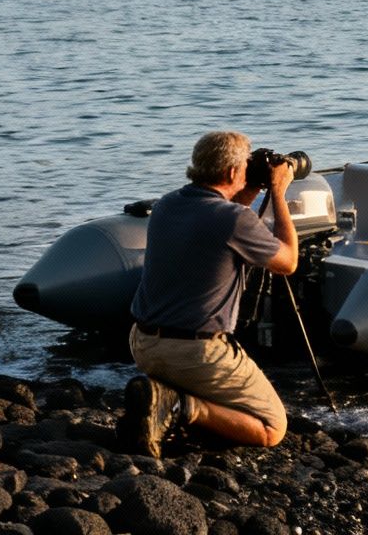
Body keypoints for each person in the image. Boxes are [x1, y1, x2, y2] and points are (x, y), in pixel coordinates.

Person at [119, 130, 299, 458]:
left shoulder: (168, 204)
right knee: (273, 427)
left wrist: (253, 186)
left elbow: (219, 222)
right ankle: (185, 407)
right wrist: (278, 192)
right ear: (232, 173)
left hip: (144, 344)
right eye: (246, 165)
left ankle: (161, 395)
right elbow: (287, 262)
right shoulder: (235, 219)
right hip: (195, 353)